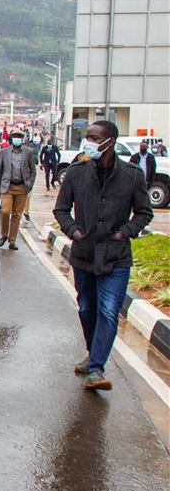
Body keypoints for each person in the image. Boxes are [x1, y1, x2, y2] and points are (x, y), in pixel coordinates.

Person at [53, 121, 153, 390]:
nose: (88, 142)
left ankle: (96, 369)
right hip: (83, 254)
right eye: (87, 137)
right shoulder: (76, 172)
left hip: (115, 257)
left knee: (108, 311)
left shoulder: (132, 175)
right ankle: (92, 355)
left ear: (110, 141)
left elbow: (144, 213)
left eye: (94, 138)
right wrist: (73, 232)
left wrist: (124, 232)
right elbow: (61, 210)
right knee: (87, 308)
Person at [0, 128, 35, 250]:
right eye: (15, 136)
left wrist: (30, 183)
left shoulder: (28, 152)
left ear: (22, 139)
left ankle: (12, 241)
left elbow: (33, 170)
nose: (17, 139)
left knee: (16, 215)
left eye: (19, 137)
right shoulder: (4, 152)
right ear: (12, 138)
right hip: (7, 186)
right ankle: (4, 235)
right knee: (5, 211)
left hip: (22, 187)